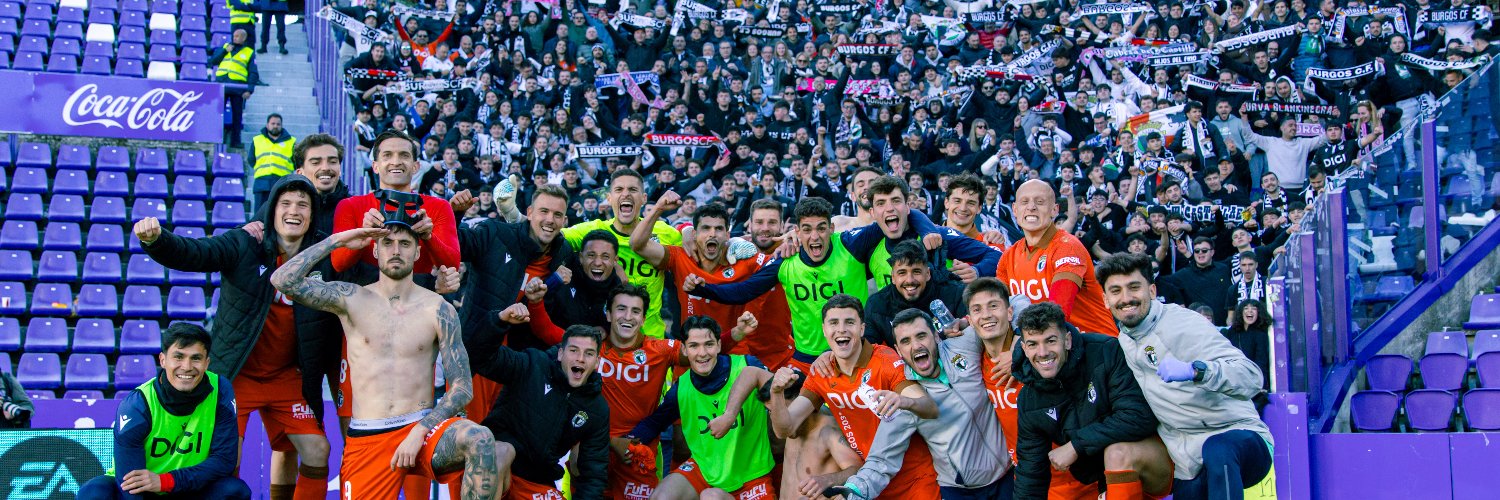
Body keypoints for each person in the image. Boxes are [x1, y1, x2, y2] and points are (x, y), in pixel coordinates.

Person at [135, 175, 336, 500]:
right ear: (271, 211)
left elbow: (366, 279)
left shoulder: (323, 255)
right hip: (237, 376)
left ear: (312, 214)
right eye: (285, 203)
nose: (294, 211)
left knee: (317, 450)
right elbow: (196, 253)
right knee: (228, 461)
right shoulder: (245, 243)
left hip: (287, 378)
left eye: (303, 204)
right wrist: (157, 241)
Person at [271, 225, 501, 499]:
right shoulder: (351, 298)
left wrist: (421, 430)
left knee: (480, 439)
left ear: (417, 252)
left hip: (423, 428)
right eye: (388, 243)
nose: (395, 250)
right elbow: (283, 280)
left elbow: (463, 388)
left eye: (404, 244)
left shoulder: (438, 308)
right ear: (375, 249)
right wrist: (338, 240)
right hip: (370, 435)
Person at [1096, 253, 1273, 500]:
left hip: (1237, 436)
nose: (1125, 298)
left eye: (1134, 287)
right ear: (1105, 299)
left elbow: (1252, 377)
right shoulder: (1124, 341)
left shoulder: (1182, 323)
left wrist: (1197, 370)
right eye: (1116, 291)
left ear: (1152, 290)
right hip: (1187, 460)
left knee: (1218, 449)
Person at [766, 294, 942, 500]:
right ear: (824, 330)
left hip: (915, 479)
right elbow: (785, 429)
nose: (841, 329)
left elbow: (930, 408)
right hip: (871, 484)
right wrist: (776, 393)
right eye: (834, 323)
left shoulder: (884, 360)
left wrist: (905, 401)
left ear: (862, 328)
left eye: (849, 322)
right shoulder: (821, 373)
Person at [834, 308, 1012, 499]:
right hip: (962, 491)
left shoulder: (963, 346)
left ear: (936, 336)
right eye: (906, 341)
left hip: (1008, 476)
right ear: (898, 351)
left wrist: (970, 322)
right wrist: (855, 490)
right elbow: (882, 457)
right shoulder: (907, 395)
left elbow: (1012, 306)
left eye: (921, 336)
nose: (916, 345)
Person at [687, 196, 873, 372]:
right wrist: (687, 234)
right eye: (807, 229)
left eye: (821, 228)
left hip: (839, 353)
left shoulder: (842, 246)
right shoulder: (764, 256)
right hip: (785, 358)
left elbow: (883, 225)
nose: (815, 236)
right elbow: (743, 290)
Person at [1010, 302, 1173, 500]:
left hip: (1153, 467)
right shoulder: (1029, 399)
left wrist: (1076, 446)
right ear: (1024, 348)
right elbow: (1030, 475)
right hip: (1105, 483)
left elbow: (1138, 416)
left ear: (1067, 340)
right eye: (1033, 344)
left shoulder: (1105, 351)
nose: (1043, 352)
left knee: (1117, 453)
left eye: (1051, 341)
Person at [961, 277, 1099, 499]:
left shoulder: (1040, 356)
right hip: (1030, 479)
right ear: (970, 319)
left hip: (1075, 477)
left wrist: (1018, 352)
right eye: (977, 309)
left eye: (993, 306)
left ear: (1009, 313)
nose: (986, 315)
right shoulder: (976, 362)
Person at [78, 324, 250, 500]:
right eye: (178, 357)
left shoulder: (220, 389)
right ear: (163, 360)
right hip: (142, 492)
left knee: (235, 490)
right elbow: (130, 484)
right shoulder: (137, 404)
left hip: (189, 487)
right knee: (93, 492)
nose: (187, 366)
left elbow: (224, 461)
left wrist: (166, 481)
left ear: (207, 363)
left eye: (196, 358)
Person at [625, 316, 778, 499]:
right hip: (704, 471)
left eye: (709, 344)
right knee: (662, 497)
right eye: (694, 346)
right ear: (684, 349)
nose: (702, 353)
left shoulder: (748, 364)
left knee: (711, 497)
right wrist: (622, 442)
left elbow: (781, 396)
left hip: (751, 474)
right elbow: (654, 423)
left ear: (719, 345)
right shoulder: (681, 388)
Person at [466, 318, 611, 499]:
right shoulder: (532, 364)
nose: (580, 359)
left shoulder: (597, 408)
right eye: (573, 351)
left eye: (589, 354)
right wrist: (498, 321)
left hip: (537, 481)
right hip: (497, 468)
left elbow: (593, 475)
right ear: (560, 354)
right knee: (500, 451)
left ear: (597, 362)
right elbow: (481, 357)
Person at [562, 168, 685, 340]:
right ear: (609, 198)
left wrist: (687, 229)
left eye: (633, 190)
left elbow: (693, 255)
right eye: (619, 190)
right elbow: (550, 237)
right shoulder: (592, 231)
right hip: (605, 341)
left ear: (643, 199)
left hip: (651, 341)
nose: (626, 194)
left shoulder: (667, 234)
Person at [630, 191, 764, 344]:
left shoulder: (743, 258)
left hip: (734, 351)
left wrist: (787, 241)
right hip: (691, 351)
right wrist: (658, 208)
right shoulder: (680, 257)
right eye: (705, 228)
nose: (712, 234)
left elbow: (776, 261)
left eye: (719, 229)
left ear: (727, 235)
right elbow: (637, 244)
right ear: (694, 234)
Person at [330, 129, 463, 277]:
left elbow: (452, 265)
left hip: (417, 296)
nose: (396, 162)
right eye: (387, 155)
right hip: (365, 295)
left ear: (415, 166)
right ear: (375, 166)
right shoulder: (349, 206)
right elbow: (338, 264)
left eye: (404, 155)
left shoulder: (439, 207)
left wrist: (429, 237)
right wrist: (364, 234)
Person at [996, 180, 1120, 336]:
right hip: (1046, 345)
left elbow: (1057, 313)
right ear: (1014, 209)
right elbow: (995, 304)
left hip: (1095, 346)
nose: (1031, 207)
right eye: (1024, 202)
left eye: (1040, 202)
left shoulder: (1067, 247)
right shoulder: (1009, 256)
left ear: (1054, 210)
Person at [863, 240, 967, 346]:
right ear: (893, 277)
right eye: (902, 273)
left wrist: (964, 325)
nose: (910, 280)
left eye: (916, 271)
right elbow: (868, 350)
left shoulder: (954, 293)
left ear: (927, 274)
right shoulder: (876, 305)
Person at [210, 28, 258, 148]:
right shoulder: (226, 47)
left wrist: (249, 89)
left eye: (237, 36)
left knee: (237, 116)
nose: (234, 38)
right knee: (217, 113)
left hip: (237, 87)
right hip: (222, 86)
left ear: (244, 38)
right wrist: (224, 52)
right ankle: (216, 137)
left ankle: (235, 141)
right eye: (234, 36)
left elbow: (253, 72)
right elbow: (213, 61)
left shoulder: (249, 52)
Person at [250, 113, 296, 211]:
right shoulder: (257, 140)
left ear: (281, 125)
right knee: (258, 217)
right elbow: (251, 160)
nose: (275, 126)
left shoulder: (291, 142)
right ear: (267, 125)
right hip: (261, 184)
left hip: (283, 184)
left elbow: (297, 162)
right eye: (273, 123)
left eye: (278, 124)